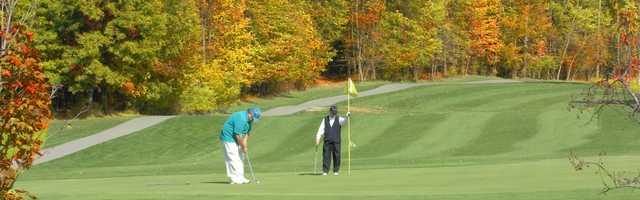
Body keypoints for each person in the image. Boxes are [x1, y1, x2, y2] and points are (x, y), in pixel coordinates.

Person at [219, 107, 261, 184]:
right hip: (228, 137)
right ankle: (234, 178)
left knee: (241, 157)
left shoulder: (249, 120)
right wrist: (243, 146)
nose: (252, 120)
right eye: (252, 117)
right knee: (233, 157)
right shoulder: (241, 118)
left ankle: (240, 177)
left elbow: (246, 134)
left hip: (237, 137)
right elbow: (237, 135)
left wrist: (245, 146)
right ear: (250, 113)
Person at [315, 105, 350, 176]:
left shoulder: (338, 119)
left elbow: (344, 121)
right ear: (330, 112)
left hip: (336, 141)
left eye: (335, 113)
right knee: (326, 156)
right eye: (333, 113)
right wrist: (317, 139)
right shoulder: (325, 119)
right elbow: (320, 131)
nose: (334, 114)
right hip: (327, 141)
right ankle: (325, 171)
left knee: (337, 155)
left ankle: (336, 170)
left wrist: (347, 116)